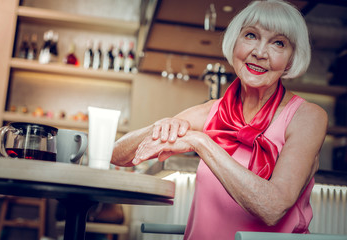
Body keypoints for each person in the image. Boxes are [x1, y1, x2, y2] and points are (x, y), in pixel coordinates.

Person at [111, 0, 328, 239]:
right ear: (235, 42)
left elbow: (272, 208)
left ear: (290, 60)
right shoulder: (211, 112)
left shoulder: (307, 117)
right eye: (251, 35)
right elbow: (118, 155)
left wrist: (201, 142)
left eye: (278, 43)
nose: (259, 52)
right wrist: (160, 126)